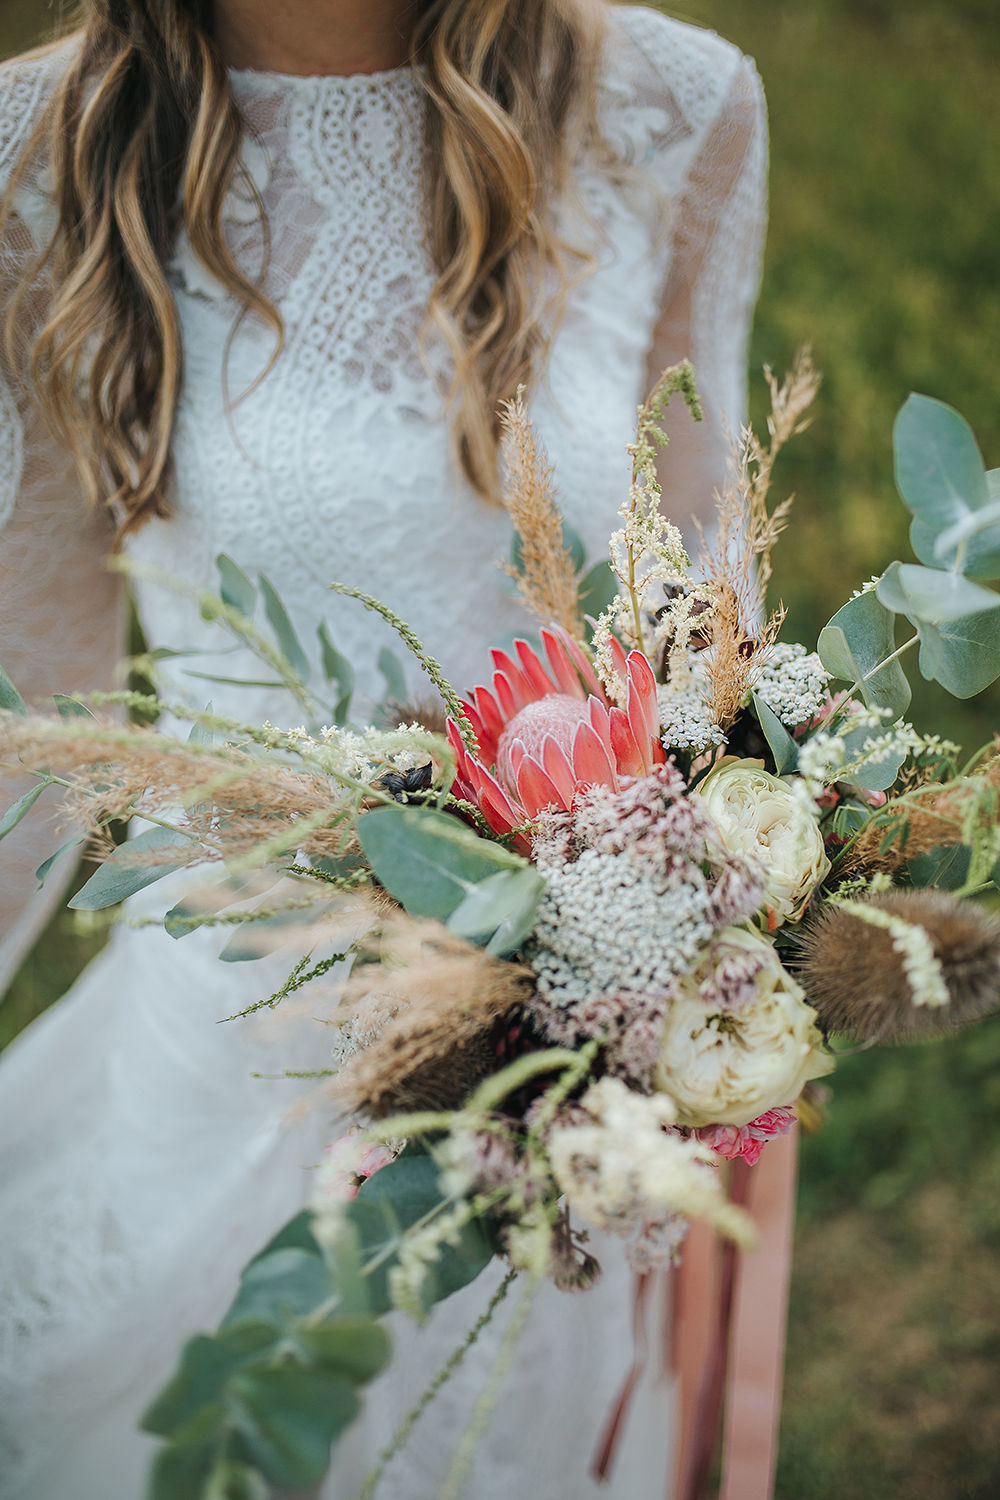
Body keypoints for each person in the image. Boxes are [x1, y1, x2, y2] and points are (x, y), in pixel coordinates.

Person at [0, 2, 766, 1496]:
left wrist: (719, 950)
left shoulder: (675, 100)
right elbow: (28, 685)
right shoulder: (38, 148)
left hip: (543, 1060)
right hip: (232, 1022)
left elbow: (705, 615)